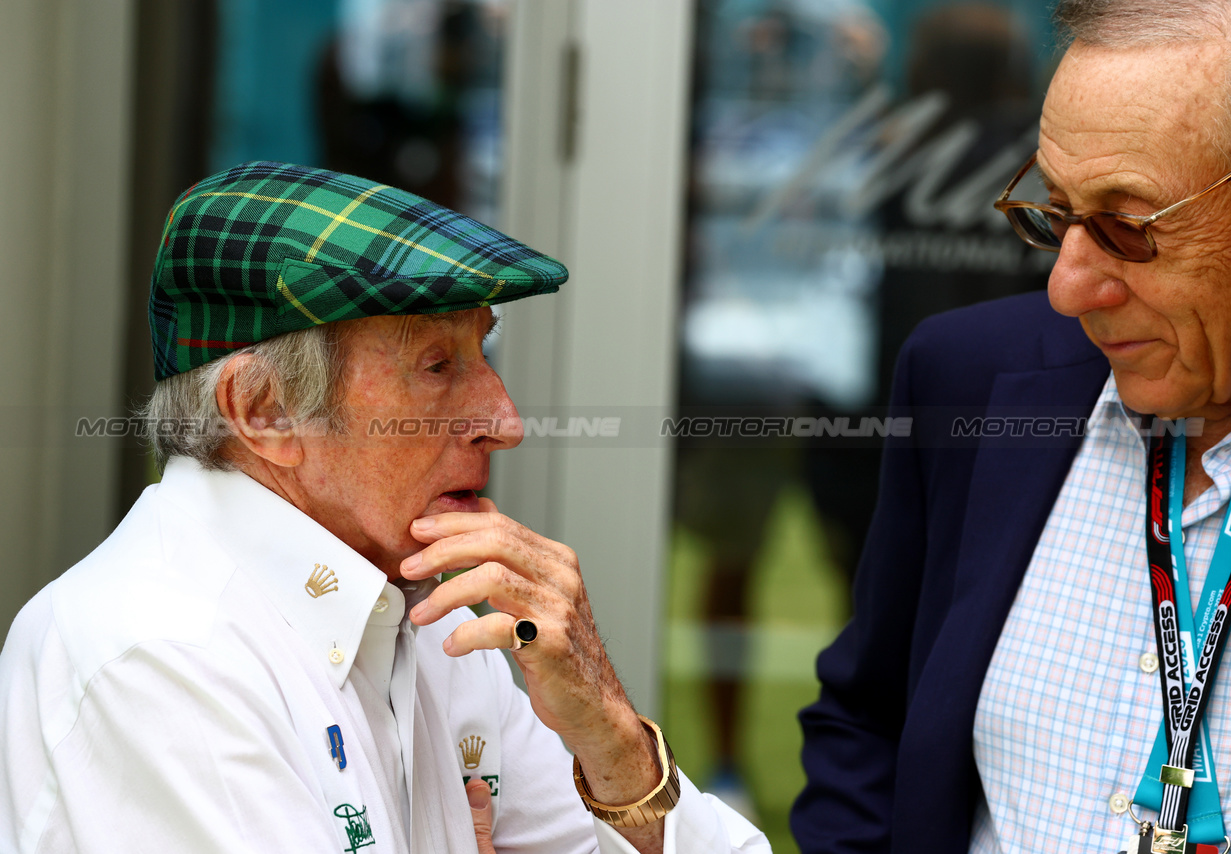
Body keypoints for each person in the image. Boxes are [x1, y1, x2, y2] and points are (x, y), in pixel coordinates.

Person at [0, 161, 769, 854]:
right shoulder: (160, 651)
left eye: (482, 351)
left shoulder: (428, 617)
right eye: (436, 365)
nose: (504, 421)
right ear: (263, 411)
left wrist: (611, 736)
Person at [791, 1, 1231, 853]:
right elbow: (870, 721)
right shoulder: (969, 381)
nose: (1067, 288)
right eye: (1055, 213)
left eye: (1129, 226)